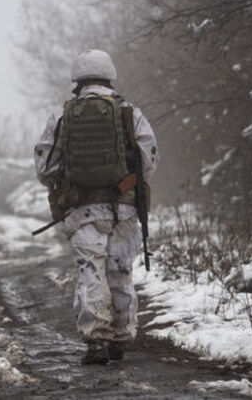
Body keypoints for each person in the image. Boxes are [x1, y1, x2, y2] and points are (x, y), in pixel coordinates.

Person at [33, 49, 158, 365]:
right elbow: (149, 160)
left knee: (91, 272)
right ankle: (122, 338)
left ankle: (96, 342)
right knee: (120, 271)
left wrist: (69, 185)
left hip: (82, 210)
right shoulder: (130, 112)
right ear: (109, 75)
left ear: (77, 80)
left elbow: (44, 167)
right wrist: (125, 185)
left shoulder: (63, 116)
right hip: (125, 208)